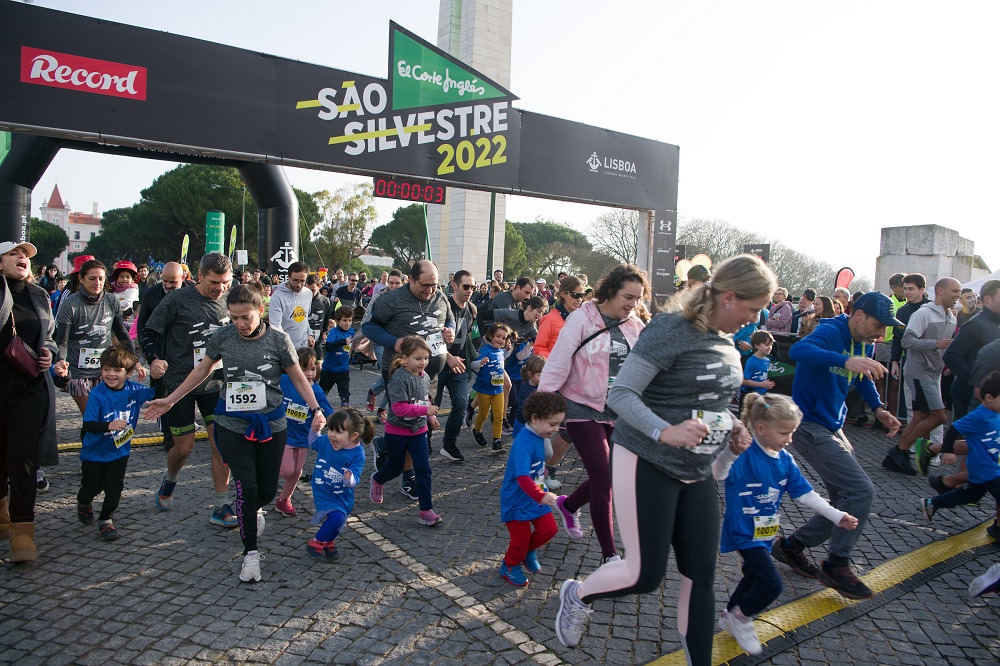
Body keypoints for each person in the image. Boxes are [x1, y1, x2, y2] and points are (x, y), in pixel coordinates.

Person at [553, 255, 768, 659]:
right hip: (645, 457)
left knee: (701, 577)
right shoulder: (672, 328)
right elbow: (621, 395)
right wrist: (664, 430)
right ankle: (577, 594)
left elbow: (712, 399)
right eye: (753, 309)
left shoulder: (727, 342)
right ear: (729, 297)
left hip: (696, 468)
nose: (756, 317)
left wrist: (732, 427)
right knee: (643, 574)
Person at [143, 283, 326, 583]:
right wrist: (171, 399)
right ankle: (250, 554)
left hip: (272, 423)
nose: (240, 324)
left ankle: (253, 513)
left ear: (261, 311)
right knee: (247, 487)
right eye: (234, 317)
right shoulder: (223, 337)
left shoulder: (279, 341)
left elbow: (298, 378)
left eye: (246, 317)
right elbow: (201, 371)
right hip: (231, 423)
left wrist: (316, 409)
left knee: (265, 491)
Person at [770, 292, 903, 600]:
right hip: (808, 425)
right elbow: (801, 350)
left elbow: (862, 377)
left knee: (845, 498)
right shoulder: (832, 330)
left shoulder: (864, 341)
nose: (882, 334)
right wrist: (846, 359)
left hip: (833, 426)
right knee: (860, 491)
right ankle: (837, 564)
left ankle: (792, 547)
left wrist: (879, 408)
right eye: (879, 325)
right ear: (858, 316)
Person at [713, 392, 858, 655]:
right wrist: (729, 453)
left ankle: (729, 615)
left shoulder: (785, 461)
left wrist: (837, 516)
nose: (789, 440)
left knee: (753, 576)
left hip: (765, 533)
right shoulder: (744, 453)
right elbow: (718, 473)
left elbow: (806, 495)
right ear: (760, 428)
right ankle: (741, 617)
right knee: (772, 584)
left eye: (791, 433)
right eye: (783, 433)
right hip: (744, 531)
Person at [540, 264, 648, 565]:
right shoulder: (581, 318)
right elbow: (559, 362)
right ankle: (609, 555)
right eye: (629, 296)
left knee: (614, 475)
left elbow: (644, 369)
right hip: (580, 406)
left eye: (638, 298)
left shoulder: (635, 324)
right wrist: (542, 408)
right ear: (611, 291)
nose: (633, 304)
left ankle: (569, 504)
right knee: (603, 477)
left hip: (618, 410)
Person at [144, 253, 236, 526]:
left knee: (221, 445)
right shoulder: (176, 300)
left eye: (225, 282)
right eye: (214, 283)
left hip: (215, 384)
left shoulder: (230, 300)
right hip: (180, 384)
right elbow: (149, 332)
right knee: (183, 448)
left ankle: (221, 506)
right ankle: (170, 479)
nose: (220, 288)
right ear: (198, 275)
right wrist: (154, 360)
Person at [362, 260, 456, 499]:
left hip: (430, 374)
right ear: (411, 279)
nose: (430, 291)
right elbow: (368, 327)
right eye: (425, 285)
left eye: (435, 285)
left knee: (418, 425)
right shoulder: (391, 300)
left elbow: (450, 320)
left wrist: (450, 331)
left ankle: (389, 451)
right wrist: (393, 342)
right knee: (409, 422)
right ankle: (406, 475)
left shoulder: (440, 298)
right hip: (399, 375)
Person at [0, 240, 61, 563]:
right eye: (13, 254)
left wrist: (51, 352)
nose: (22, 258)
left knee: (24, 455)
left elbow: (48, 335)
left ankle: (23, 530)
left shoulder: (39, 295)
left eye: (25, 255)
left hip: (31, 386)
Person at [76, 345, 156, 541]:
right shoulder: (97, 394)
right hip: (94, 454)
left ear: (128, 373)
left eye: (117, 370)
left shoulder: (134, 390)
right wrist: (108, 425)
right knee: (91, 487)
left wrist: (158, 374)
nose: (110, 374)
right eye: (106, 369)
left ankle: (106, 520)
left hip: (119, 453)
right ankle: (84, 503)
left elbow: (158, 394)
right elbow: (88, 424)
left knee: (114, 490)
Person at [883, 277, 960, 476]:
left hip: (934, 373)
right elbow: (907, 340)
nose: (958, 295)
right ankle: (905, 450)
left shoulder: (951, 316)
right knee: (939, 416)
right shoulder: (923, 313)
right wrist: (936, 344)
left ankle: (896, 455)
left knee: (919, 416)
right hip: (919, 372)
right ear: (941, 291)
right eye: (955, 291)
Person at [368, 336, 443, 526]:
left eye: (426, 358)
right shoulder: (398, 378)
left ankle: (426, 510)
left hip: (418, 430)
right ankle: (378, 479)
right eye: (418, 358)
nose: (423, 363)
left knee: (424, 469)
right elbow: (399, 408)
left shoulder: (425, 377)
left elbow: (424, 400)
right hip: (397, 431)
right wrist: (426, 411)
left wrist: (430, 417)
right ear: (406, 358)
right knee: (395, 466)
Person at [54, 259, 141, 422]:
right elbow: (62, 341)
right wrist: (60, 361)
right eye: (92, 278)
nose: (97, 283)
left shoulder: (112, 300)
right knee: (93, 418)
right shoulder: (70, 304)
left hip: (105, 369)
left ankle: (103, 447)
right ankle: (91, 446)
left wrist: (133, 360)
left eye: (101, 278)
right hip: (78, 371)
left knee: (107, 416)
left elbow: (121, 332)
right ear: (81, 279)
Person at [498, 391, 566, 587]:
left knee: (549, 529)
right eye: (552, 424)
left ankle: (527, 551)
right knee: (519, 540)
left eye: (558, 424)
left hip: (535, 494)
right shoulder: (523, 442)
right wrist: (540, 495)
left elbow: (538, 462)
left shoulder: (539, 434)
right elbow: (521, 476)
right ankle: (509, 565)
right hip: (517, 499)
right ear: (535, 419)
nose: (555, 429)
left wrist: (541, 477)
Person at [919, 372, 1000, 537]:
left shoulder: (994, 413)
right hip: (985, 468)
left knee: (970, 495)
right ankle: (996, 529)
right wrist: (947, 450)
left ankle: (932, 503)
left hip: (987, 466)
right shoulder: (979, 415)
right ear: (990, 398)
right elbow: (954, 429)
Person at [275, 348, 335, 517]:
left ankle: (283, 500)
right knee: (287, 470)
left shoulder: (316, 391)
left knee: (296, 473)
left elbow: (327, 411)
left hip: (303, 437)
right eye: (304, 369)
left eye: (313, 369)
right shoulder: (284, 381)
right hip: (284, 434)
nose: (309, 374)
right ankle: (260, 474)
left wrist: (333, 423)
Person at [306, 408, 371, 559]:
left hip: (343, 495)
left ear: (354, 435)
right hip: (323, 490)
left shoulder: (358, 453)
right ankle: (316, 542)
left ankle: (329, 542)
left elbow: (355, 477)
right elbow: (313, 442)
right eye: (331, 430)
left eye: (339, 432)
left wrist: (349, 478)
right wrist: (314, 430)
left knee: (340, 519)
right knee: (337, 517)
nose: (332, 435)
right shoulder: (326, 442)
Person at [136, 261, 185, 450]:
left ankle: (182, 432)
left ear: (183, 279)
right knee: (161, 393)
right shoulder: (151, 293)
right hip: (159, 349)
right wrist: (151, 356)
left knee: (181, 392)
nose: (168, 285)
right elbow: (143, 326)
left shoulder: (191, 291)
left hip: (182, 351)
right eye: (164, 281)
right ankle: (168, 436)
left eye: (173, 282)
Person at [944, 280, 1000, 422]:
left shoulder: (995, 323)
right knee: (965, 440)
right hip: (971, 396)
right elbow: (951, 355)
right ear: (988, 299)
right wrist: (975, 382)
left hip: (991, 395)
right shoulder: (975, 325)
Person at [435, 270, 475, 463]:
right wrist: (448, 356)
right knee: (432, 407)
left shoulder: (471, 310)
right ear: (455, 285)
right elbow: (431, 337)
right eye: (466, 286)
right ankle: (423, 442)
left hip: (458, 366)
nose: (470, 291)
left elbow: (468, 339)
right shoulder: (442, 307)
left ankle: (449, 444)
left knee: (460, 404)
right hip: (437, 364)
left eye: (473, 287)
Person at [363, 270, 404, 423]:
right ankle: (382, 408)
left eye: (397, 283)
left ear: (402, 283)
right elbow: (366, 324)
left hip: (401, 347)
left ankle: (379, 401)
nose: (393, 286)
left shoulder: (406, 299)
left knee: (396, 379)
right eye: (391, 282)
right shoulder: (379, 298)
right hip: (381, 344)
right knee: (391, 376)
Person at [471, 323, 513, 453]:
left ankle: (497, 441)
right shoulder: (484, 351)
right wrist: (480, 362)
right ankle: (477, 430)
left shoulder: (501, 351)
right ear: (490, 336)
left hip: (498, 390)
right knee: (482, 415)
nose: (500, 340)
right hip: (484, 390)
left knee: (499, 416)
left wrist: (508, 349)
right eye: (498, 336)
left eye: (503, 338)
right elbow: (472, 365)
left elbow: (504, 356)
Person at [268, 262, 313, 349]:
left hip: (304, 346)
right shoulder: (277, 296)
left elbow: (305, 316)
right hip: (284, 348)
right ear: (288, 277)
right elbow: (275, 326)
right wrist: (287, 347)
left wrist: (309, 334)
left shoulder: (308, 293)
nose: (298, 284)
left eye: (302, 281)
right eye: (295, 280)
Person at [320, 306, 355, 408]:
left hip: (343, 371)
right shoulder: (334, 332)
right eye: (344, 320)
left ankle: (345, 417)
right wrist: (343, 342)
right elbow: (328, 347)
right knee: (321, 395)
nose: (347, 323)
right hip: (329, 370)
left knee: (345, 397)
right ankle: (318, 413)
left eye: (350, 320)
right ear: (337, 320)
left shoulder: (352, 332)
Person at [512, 355, 545, 439]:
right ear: (530, 374)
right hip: (524, 425)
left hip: (537, 424)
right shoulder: (525, 389)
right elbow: (523, 411)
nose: (544, 378)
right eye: (540, 375)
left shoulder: (542, 386)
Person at [306, 274, 332, 362]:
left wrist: (325, 332)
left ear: (319, 286)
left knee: (319, 366)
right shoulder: (302, 299)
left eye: (313, 290)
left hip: (318, 339)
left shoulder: (325, 301)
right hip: (303, 340)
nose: (310, 292)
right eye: (308, 290)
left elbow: (327, 317)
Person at [742, 330, 775, 397]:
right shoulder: (751, 362)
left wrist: (768, 384)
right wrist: (761, 384)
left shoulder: (767, 361)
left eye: (771, 345)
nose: (769, 347)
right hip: (749, 395)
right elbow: (744, 381)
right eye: (766, 345)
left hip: (761, 395)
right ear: (757, 345)